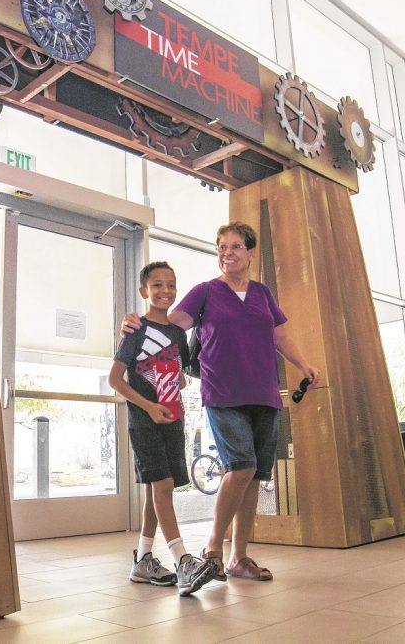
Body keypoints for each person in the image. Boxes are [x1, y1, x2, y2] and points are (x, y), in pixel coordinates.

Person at [122, 222, 319, 582]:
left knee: (255, 475)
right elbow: (168, 323)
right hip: (223, 392)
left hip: (264, 393)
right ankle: (212, 548)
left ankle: (238, 558)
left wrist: (303, 363)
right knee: (240, 465)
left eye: (235, 247)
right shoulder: (206, 292)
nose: (227, 253)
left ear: (250, 253)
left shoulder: (262, 294)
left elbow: (280, 335)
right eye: (221, 247)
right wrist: (135, 322)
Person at [109, 261, 216, 597]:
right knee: (164, 485)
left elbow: (180, 372)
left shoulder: (176, 334)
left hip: (173, 420)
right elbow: (115, 379)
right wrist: (149, 406)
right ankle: (183, 560)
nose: (165, 291)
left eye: (171, 285)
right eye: (157, 285)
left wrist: (174, 386)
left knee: (158, 490)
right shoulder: (135, 330)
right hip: (145, 420)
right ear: (145, 291)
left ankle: (142, 560)